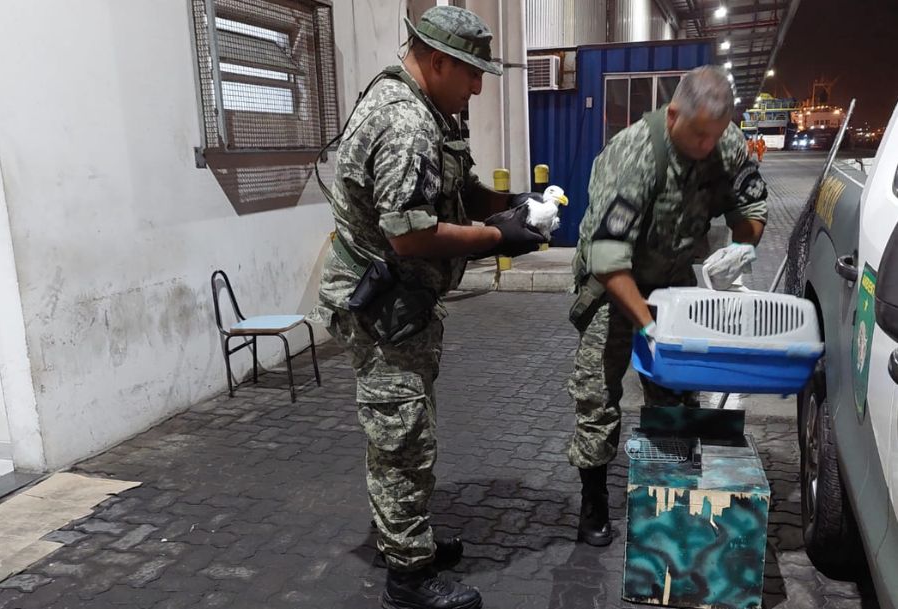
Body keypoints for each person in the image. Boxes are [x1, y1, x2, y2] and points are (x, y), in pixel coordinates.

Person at [311, 6, 552, 609]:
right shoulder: (405, 124)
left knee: (411, 430)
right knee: (400, 437)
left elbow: (456, 189)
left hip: (405, 301)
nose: (477, 86)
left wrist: (509, 202)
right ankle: (407, 581)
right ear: (436, 59)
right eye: (470, 73)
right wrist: (500, 237)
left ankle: (408, 540)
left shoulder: (431, 113)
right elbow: (411, 234)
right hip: (381, 305)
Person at [566, 65, 769, 547]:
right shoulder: (633, 154)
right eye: (698, 135)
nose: (706, 147)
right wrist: (649, 328)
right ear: (673, 113)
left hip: (673, 281)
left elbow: (752, 209)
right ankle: (593, 500)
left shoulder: (726, 142)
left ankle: (672, 490)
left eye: (715, 136)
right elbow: (608, 258)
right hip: (613, 288)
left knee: (675, 390)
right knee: (597, 393)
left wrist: (742, 249)